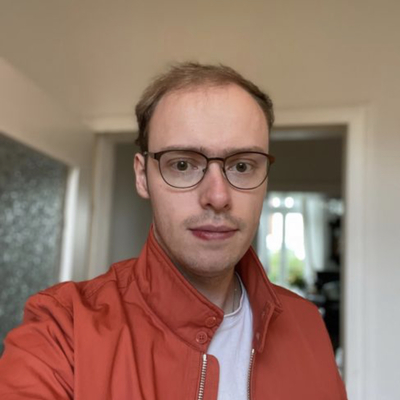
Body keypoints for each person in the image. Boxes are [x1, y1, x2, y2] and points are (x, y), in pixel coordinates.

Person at [0, 62, 347, 400]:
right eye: (182, 164)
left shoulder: (307, 324)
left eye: (242, 166)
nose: (217, 197)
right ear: (142, 176)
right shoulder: (62, 330)